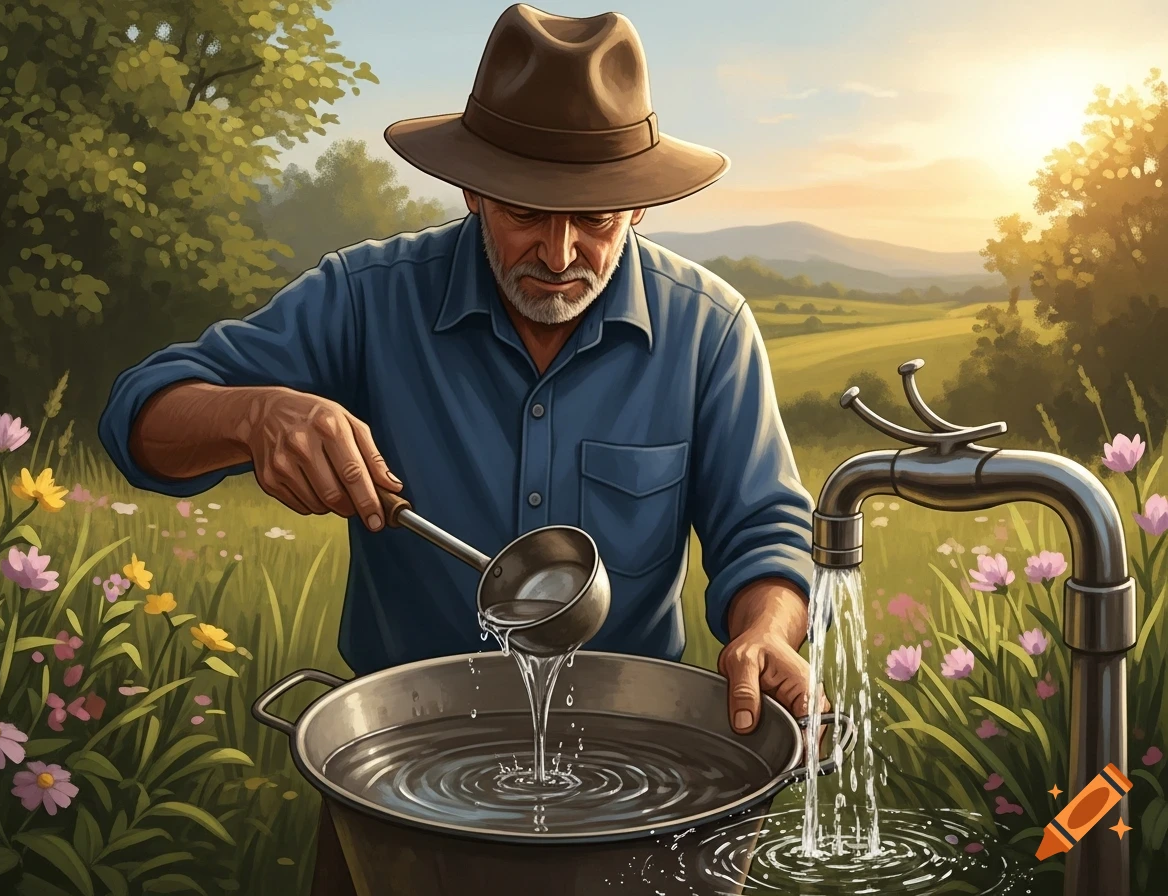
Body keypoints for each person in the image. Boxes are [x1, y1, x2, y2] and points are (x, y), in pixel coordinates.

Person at [98, 5, 825, 894]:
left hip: (636, 794)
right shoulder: (366, 298)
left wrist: (765, 631)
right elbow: (138, 420)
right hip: (394, 790)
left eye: (594, 219)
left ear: (639, 202)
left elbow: (765, 532)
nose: (560, 254)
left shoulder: (708, 330)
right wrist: (253, 414)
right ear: (474, 188)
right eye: (526, 212)